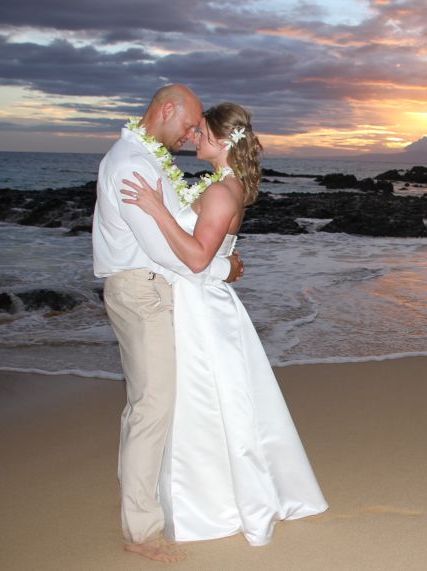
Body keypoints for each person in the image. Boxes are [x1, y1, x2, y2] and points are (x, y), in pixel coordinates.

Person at [121, 102, 328, 546]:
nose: (193, 136)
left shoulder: (220, 191)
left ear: (221, 140)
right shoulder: (222, 185)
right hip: (201, 300)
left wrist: (157, 208)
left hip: (201, 306)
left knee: (206, 404)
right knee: (213, 405)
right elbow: (210, 256)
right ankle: (215, 499)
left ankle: (214, 507)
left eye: (201, 132)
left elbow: (197, 259)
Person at [91, 85, 243, 562]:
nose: (192, 133)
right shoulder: (131, 164)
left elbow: (179, 224)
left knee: (157, 404)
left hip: (161, 288)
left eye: (200, 129)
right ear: (168, 109)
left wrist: (218, 254)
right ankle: (140, 532)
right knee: (151, 406)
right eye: (191, 124)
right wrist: (222, 269)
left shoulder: (148, 158)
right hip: (142, 289)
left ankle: (169, 500)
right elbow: (163, 249)